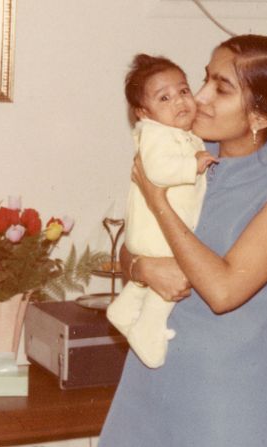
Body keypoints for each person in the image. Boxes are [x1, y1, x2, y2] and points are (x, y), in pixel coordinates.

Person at [99, 34, 267, 447]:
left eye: (220, 88)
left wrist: (157, 200)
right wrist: (143, 267)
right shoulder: (185, 153)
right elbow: (135, 248)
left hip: (224, 400)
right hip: (149, 379)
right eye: (203, 80)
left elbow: (222, 290)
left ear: (261, 115)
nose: (198, 97)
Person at [106, 54, 218, 368]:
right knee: (177, 272)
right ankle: (148, 329)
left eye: (183, 91)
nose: (180, 101)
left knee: (167, 273)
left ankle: (125, 309)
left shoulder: (182, 134)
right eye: (164, 98)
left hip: (158, 230)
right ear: (144, 113)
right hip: (157, 233)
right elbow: (156, 170)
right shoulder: (155, 134)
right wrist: (192, 164)